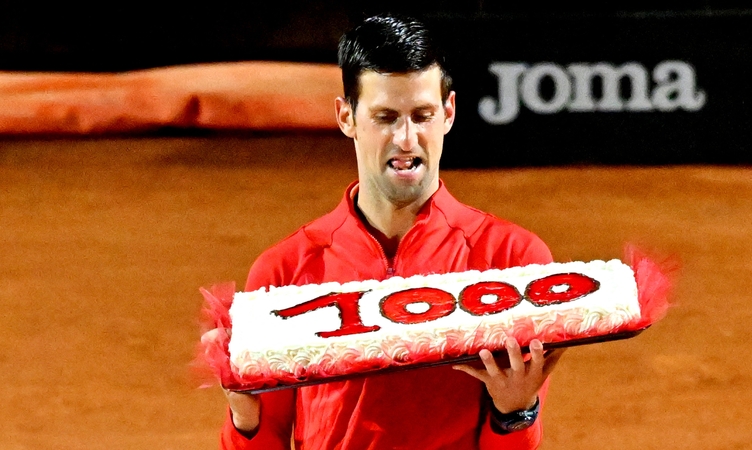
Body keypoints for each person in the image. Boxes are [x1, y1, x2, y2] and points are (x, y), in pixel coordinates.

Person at [217, 13, 565, 449]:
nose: (406, 139)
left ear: (449, 113)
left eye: (422, 115)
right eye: (385, 117)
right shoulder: (284, 272)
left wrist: (515, 412)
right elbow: (263, 437)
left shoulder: (515, 261)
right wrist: (244, 417)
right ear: (347, 117)